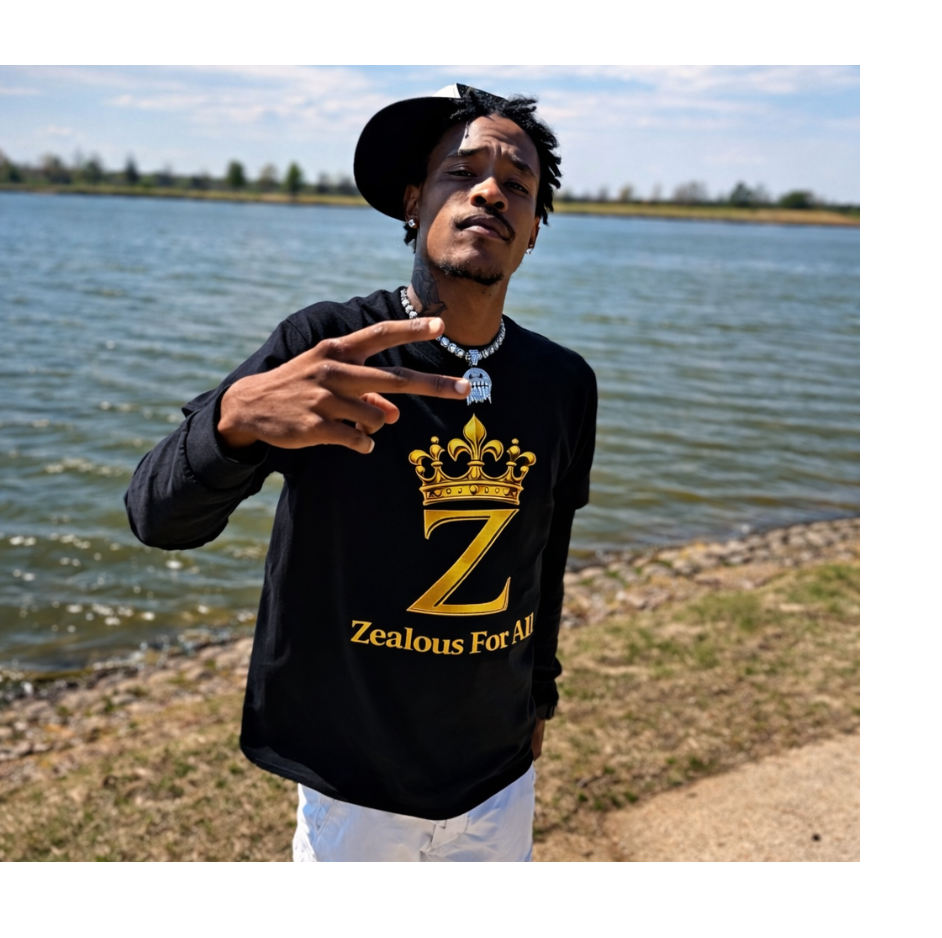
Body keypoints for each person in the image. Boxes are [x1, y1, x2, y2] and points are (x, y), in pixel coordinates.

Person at [125, 84, 597, 862]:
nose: (490, 192)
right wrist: (232, 420)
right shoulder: (329, 348)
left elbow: (545, 558)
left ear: (533, 233)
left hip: (498, 776)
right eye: (462, 172)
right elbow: (156, 517)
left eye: (518, 184)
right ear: (413, 203)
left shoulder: (563, 382)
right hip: (355, 784)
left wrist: (539, 694)